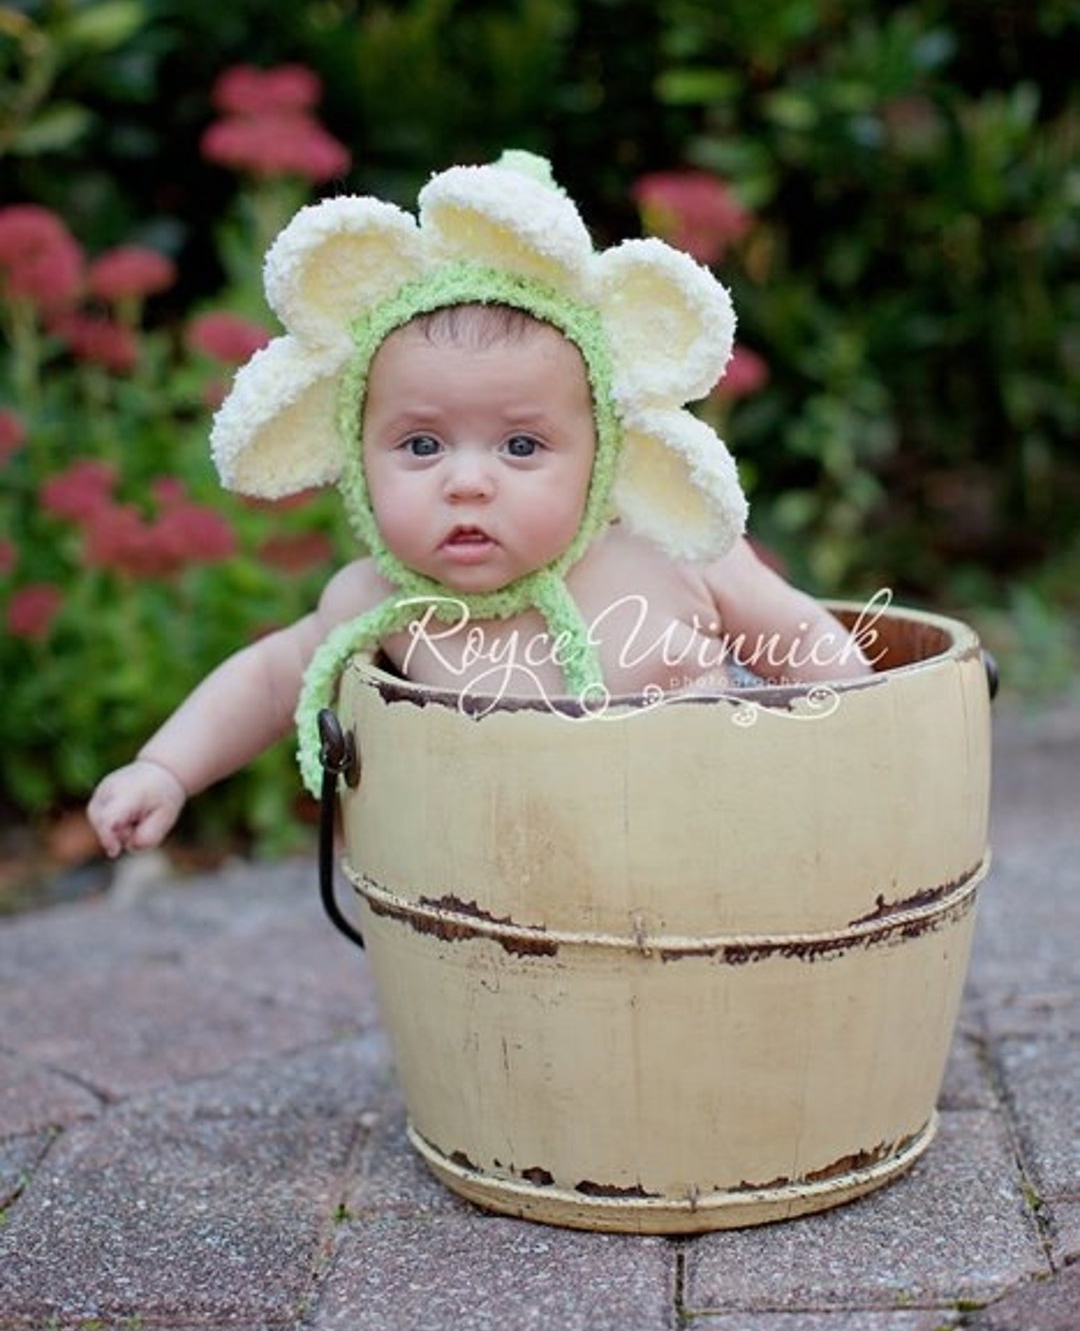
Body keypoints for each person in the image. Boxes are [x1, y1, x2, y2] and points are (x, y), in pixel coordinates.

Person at [88, 152, 872, 860]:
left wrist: (865, 751)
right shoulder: (384, 602)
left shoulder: (668, 555)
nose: (466, 482)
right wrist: (165, 768)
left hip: (715, 867)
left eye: (522, 447)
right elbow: (265, 681)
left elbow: (805, 641)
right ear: (357, 458)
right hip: (504, 901)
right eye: (422, 446)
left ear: (600, 453)